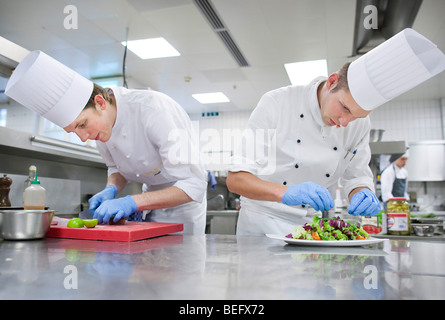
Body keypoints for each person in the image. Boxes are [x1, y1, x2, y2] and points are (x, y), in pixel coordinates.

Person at [226, 28, 445, 236]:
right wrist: (286, 193)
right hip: (260, 225)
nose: (344, 122)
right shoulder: (276, 103)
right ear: (331, 82)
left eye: (356, 116)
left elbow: (356, 176)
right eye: (345, 108)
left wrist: (361, 192)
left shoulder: (359, 124)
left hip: (311, 228)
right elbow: (236, 180)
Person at [5, 51, 207, 234]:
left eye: (82, 125)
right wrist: (111, 188)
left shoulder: (155, 110)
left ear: (100, 102)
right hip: (148, 205)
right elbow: (115, 167)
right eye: (74, 130)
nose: (83, 137)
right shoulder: (100, 128)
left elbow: (194, 184)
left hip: (184, 210)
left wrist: (133, 202)